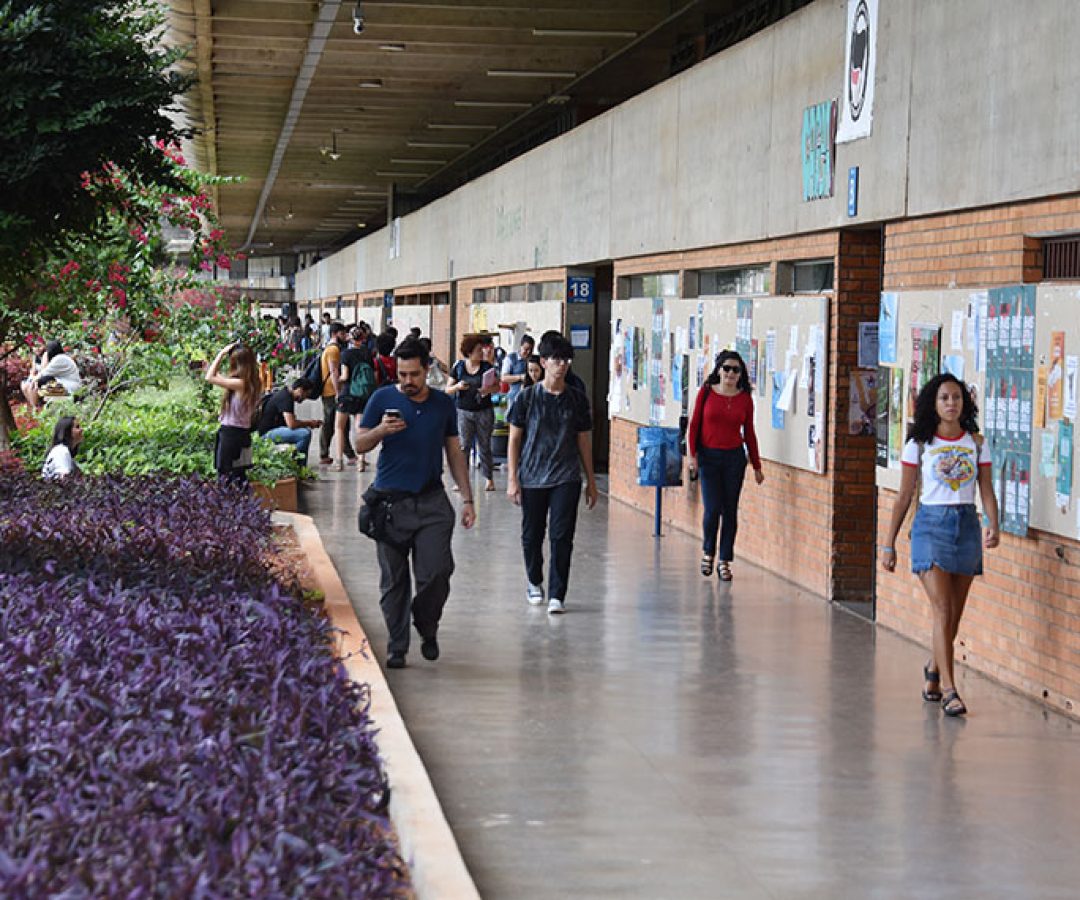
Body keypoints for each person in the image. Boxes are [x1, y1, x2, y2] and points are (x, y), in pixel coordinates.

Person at [881, 374, 1000, 717]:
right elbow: (904, 495)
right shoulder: (919, 444)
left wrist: (993, 523)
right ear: (933, 403)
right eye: (945, 398)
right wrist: (888, 543)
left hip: (966, 526)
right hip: (931, 527)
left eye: (957, 398)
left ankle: (934, 671)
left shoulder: (976, 443)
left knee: (954, 615)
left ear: (965, 403)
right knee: (943, 609)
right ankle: (950, 691)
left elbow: (986, 489)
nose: (951, 404)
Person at [354, 337, 476, 669]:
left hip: (431, 501)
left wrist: (467, 498)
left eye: (414, 374)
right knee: (394, 581)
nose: (407, 381)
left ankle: (426, 623)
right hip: (389, 504)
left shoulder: (442, 404)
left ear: (427, 370)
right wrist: (381, 430)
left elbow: (454, 451)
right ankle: (397, 645)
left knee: (437, 572)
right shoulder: (382, 398)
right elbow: (359, 444)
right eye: (402, 374)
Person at [507, 333, 598, 614]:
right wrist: (512, 479)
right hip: (532, 476)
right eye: (557, 360)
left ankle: (558, 593)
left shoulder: (576, 399)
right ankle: (534, 581)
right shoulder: (526, 398)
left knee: (562, 536)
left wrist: (591, 481)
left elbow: (583, 441)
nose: (562, 365)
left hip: (566, 477)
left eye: (566, 360)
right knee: (532, 535)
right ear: (544, 362)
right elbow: (514, 440)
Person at [687, 350, 765, 582]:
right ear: (719, 370)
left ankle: (724, 560)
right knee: (712, 508)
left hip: (734, 459)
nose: (731, 373)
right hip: (708, 458)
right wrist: (692, 456)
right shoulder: (706, 392)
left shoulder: (745, 399)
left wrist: (757, 465)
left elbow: (749, 433)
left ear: (741, 374)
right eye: (727, 368)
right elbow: (694, 425)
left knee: (730, 510)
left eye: (736, 370)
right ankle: (708, 552)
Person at [205, 342, 262, 485]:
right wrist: (209, 367)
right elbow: (219, 378)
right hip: (242, 434)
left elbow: (209, 378)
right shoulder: (253, 382)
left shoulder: (240, 384)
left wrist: (221, 353)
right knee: (239, 476)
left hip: (230, 435)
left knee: (225, 477)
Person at [446, 333, 498, 491]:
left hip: (484, 411)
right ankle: (461, 480)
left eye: (482, 349)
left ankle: (489, 478)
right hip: (463, 411)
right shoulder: (459, 367)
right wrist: (458, 387)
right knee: (464, 446)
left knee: (485, 445)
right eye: (478, 350)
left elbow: (498, 387)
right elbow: (447, 389)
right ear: (469, 352)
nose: (482, 353)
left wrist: (488, 390)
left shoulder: (487, 367)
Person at [332, 328, 375, 471]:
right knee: (360, 428)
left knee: (339, 427)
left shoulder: (346, 354)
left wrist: (337, 380)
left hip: (347, 393)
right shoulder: (367, 353)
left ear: (350, 338)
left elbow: (345, 376)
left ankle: (339, 461)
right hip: (363, 395)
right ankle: (361, 461)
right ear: (363, 338)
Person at [256, 377, 320, 462]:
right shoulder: (286, 398)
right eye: (306, 395)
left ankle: (296, 459)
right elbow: (292, 424)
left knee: (303, 431)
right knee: (304, 434)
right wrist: (309, 423)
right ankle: (299, 464)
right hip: (267, 434)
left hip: (271, 430)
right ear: (300, 390)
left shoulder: (285, 394)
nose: (305, 398)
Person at [318, 322, 355, 466]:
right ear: (335, 334)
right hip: (332, 391)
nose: (344, 336)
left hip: (329, 391)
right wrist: (338, 392)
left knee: (336, 423)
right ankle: (344, 455)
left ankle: (342, 454)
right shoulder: (333, 350)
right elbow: (334, 371)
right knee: (336, 424)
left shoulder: (330, 348)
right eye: (342, 333)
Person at [21, 340, 82, 409]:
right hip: (68, 384)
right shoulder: (62, 357)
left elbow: (44, 373)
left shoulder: (59, 359)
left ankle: (37, 407)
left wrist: (33, 380)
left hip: (71, 388)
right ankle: (36, 407)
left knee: (40, 385)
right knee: (39, 385)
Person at [41, 415, 83, 480]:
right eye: (77, 427)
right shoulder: (61, 451)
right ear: (67, 431)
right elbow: (64, 480)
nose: (81, 429)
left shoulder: (62, 451)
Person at [501, 334, 535, 406]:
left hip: (531, 397)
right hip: (515, 397)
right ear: (520, 346)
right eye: (526, 349)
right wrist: (520, 377)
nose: (528, 352)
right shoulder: (510, 358)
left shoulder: (533, 359)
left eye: (531, 350)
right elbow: (504, 378)